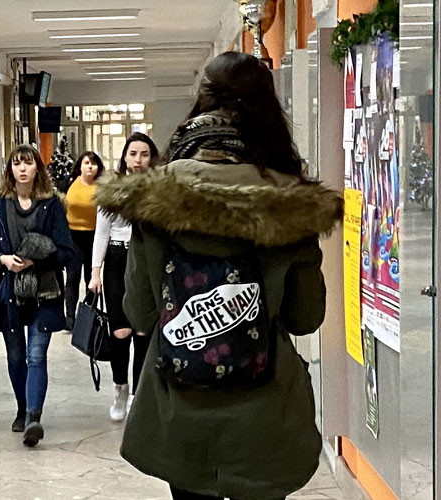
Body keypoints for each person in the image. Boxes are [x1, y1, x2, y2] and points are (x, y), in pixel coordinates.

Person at [94, 52, 341, 500]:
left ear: (202, 100)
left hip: (179, 407)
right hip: (265, 412)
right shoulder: (292, 201)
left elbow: (141, 314)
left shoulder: (154, 196)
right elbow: (305, 317)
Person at [0, 144, 75, 447]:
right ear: (9, 169)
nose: (22, 169)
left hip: (44, 290)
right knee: (17, 356)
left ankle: (33, 415)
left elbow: (66, 250)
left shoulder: (52, 204)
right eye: (16, 163)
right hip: (9, 293)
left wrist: (37, 259)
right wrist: (3, 260)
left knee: (36, 355)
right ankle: (22, 407)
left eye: (28, 163)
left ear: (37, 169)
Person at [87, 133, 160, 421]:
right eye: (133, 153)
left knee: (143, 330)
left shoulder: (159, 190)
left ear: (151, 158)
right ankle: (120, 387)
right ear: (125, 157)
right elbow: (101, 233)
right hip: (118, 259)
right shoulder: (112, 189)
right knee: (120, 330)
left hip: (147, 261)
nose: (138, 160)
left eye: (144, 154)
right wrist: (95, 272)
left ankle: (137, 395)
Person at [63, 151, 103, 330]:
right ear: (80, 166)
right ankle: (70, 318)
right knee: (72, 277)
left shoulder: (101, 187)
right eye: (87, 163)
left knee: (90, 277)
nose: (90, 167)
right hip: (73, 236)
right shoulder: (70, 183)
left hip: (94, 236)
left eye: (93, 164)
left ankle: (90, 316)